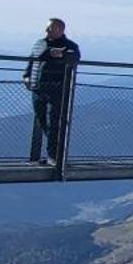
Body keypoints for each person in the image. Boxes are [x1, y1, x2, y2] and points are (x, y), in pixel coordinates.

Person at [22, 17, 81, 165]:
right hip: (38, 88)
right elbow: (32, 61)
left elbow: (74, 58)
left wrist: (62, 55)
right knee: (43, 121)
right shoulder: (39, 44)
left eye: (50, 28)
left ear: (60, 30)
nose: (47, 31)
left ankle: (55, 156)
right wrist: (26, 77)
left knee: (55, 123)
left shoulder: (69, 46)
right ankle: (53, 154)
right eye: (47, 28)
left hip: (57, 89)